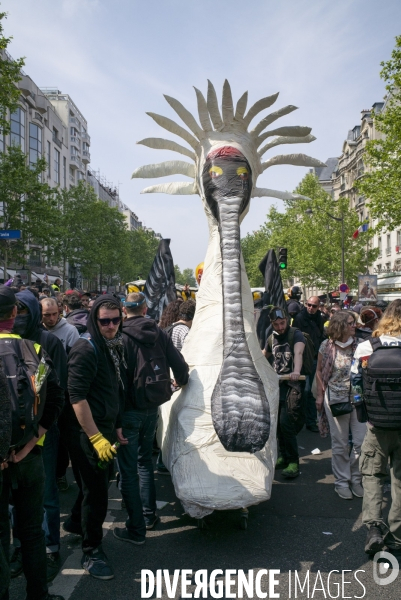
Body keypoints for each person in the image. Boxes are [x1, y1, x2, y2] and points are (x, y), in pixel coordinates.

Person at [0, 285, 65, 600]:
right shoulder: (33, 351)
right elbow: (51, 401)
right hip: (28, 457)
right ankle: (38, 594)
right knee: (31, 532)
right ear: (14, 314)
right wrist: (29, 445)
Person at [114, 292, 189, 544]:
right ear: (145, 309)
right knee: (144, 461)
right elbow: (179, 365)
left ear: (125, 311)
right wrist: (182, 380)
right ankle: (148, 514)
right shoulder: (159, 332)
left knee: (127, 466)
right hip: (152, 405)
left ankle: (135, 522)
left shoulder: (119, 335)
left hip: (127, 409)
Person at [67, 295, 126, 580]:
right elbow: (77, 397)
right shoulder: (86, 348)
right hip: (87, 433)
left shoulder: (110, 346)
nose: (111, 325)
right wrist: (96, 438)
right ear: (94, 320)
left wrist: (114, 425)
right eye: (105, 321)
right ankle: (91, 550)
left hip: (102, 428)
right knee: (97, 492)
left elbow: (110, 389)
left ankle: (77, 524)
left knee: (94, 487)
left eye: (116, 320)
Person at [351, 299, 401, 558]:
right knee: (399, 481)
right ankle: (396, 537)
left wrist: (365, 414)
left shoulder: (367, 346)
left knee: (372, 476)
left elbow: (356, 384)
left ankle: (373, 529)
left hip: (377, 424)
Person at [316, 311, 366, 500]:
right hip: (335, 398)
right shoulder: (326, 346)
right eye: (351, 323)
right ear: (341, 326)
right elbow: (319, 371)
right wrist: (320, 395)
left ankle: (356, 479)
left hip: (358, 398)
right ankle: (341, 482)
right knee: (340, 443)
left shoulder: (360, 345)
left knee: (361, 443)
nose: (355, 325)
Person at [263, 306, 305, 479]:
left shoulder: (296, 334)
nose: (280, 327)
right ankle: (283, 456)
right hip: (276, 386)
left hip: (292, 385)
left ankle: (293, 461)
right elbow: (263, 355)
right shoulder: (271, 337)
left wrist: (296, 370)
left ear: (287, 320)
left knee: (287, 423)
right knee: (278, 424)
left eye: (282, 323)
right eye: (276, 324)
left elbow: (299, 352)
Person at [293, 296, 326, 432]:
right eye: (309, 305)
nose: (311, 308)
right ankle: (302, 419)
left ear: (318, 306)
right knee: (305, 391)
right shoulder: (300, 318)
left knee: (313, 391)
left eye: (314, 306)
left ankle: (310, 420)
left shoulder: (320, 318)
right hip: (303, 359)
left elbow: (320, 336)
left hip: (315, 358)